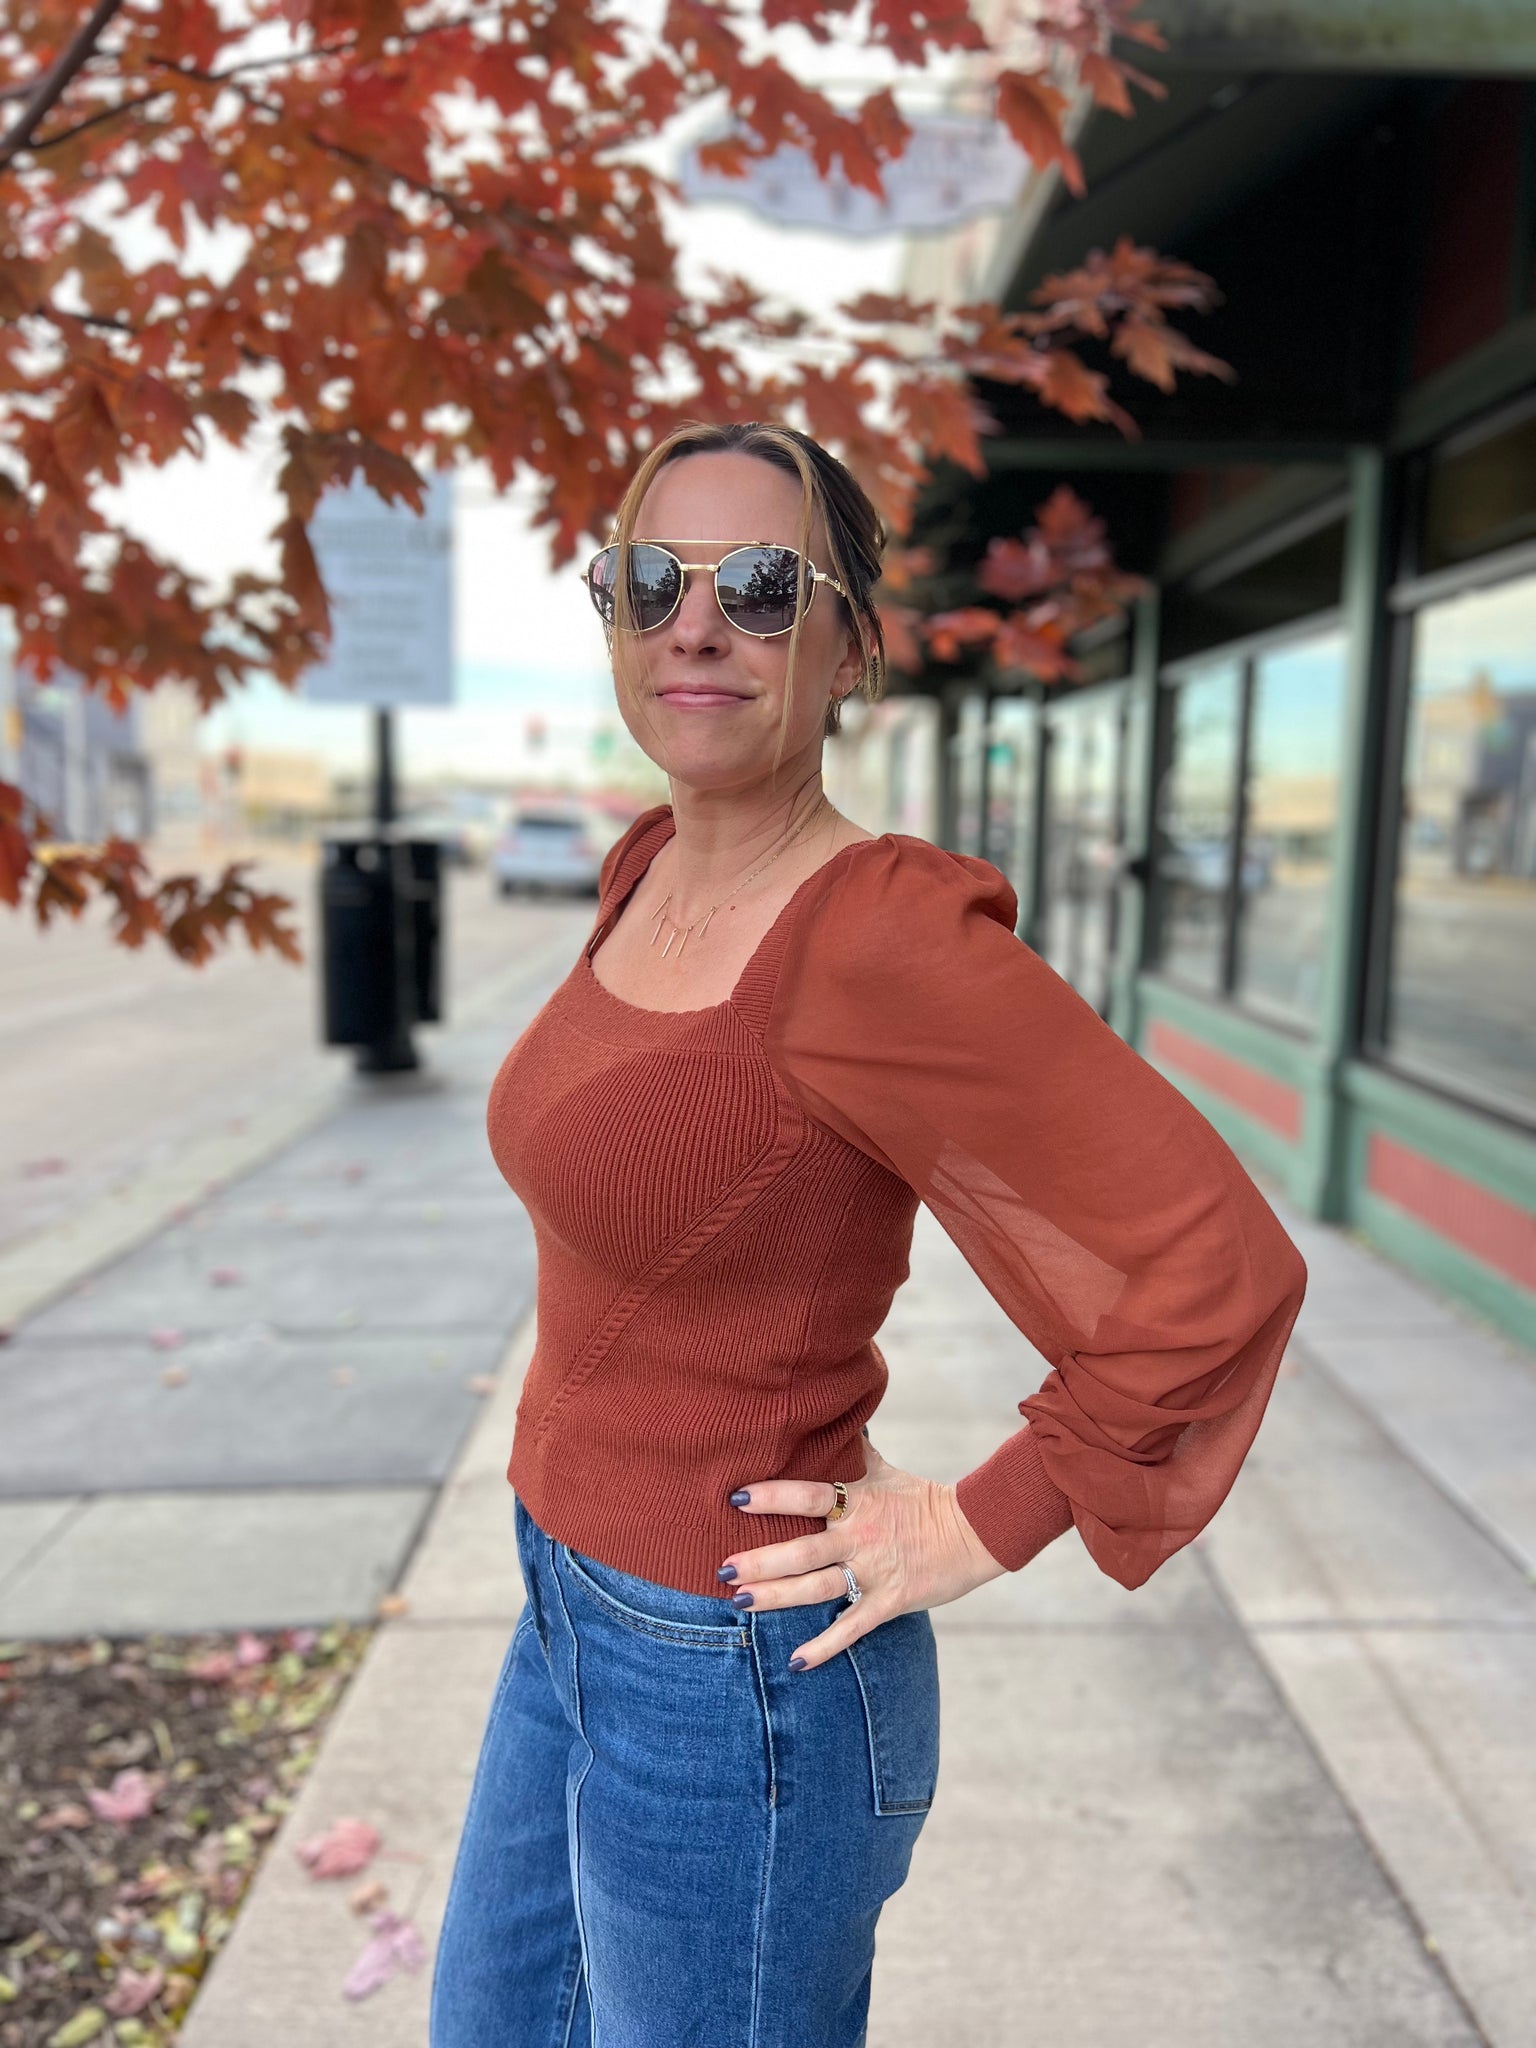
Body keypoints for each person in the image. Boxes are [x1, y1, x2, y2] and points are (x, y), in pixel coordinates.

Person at [429, 420, 1308, 2048]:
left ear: (851, 650)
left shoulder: (881, 933)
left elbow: (1213, 1268)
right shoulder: (645, 868)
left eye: (763, 586)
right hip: (568, 1612)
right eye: (648, 580)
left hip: (733, 1680)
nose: (696, 625)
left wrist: (979, 1520)